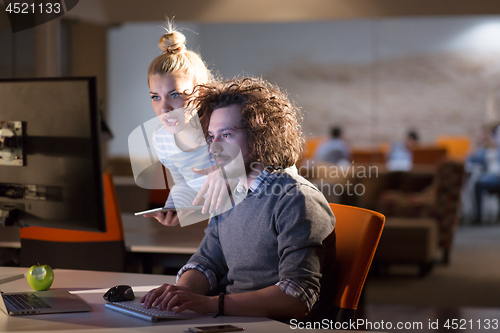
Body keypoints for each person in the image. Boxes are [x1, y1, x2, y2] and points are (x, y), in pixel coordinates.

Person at [141, 77, 336, 320]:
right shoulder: (230, 192)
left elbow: (296, 296)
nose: (214, 148)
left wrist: (210, 304)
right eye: (212, 137)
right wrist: (183, 292)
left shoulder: (297, 199)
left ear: (261, 137)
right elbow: (207, 261)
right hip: (232, 320)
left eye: (227, 135)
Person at [142, 22, 230, 226]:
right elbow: (184, 185)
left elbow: (262, 176)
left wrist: (230, 175)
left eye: (174, 95)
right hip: (219, 225)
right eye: (155, 97)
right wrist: (176, 209)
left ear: (200, 92)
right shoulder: (162, 139)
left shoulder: (223, 129)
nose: (164, 109)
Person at [465, 125, 500, 224]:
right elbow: (471, 159)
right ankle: (478, 216)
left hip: (497, 176)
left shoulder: (498, 150)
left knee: (480, 181)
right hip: (489, 178)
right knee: (478, 183)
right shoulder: (484, 151)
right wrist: (478, 145)